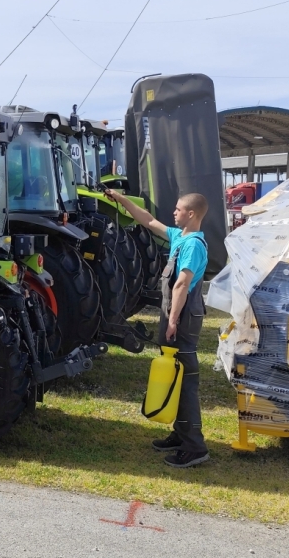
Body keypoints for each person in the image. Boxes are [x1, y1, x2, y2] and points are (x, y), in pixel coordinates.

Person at [105, 189, 210, 468]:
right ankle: (181, 433)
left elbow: (182, 285)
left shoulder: (193, 245)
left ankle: (194, 447)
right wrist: (121, 199)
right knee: (175, 376)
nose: (173, 213)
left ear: (191, 214)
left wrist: (173, 320)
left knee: (184, 380)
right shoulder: (180, 237)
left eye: (178, 209)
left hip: (183, 319)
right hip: (176, 315)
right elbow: (148, 221)